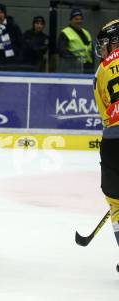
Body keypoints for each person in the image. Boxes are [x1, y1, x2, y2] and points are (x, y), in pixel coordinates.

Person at [93, 19, 119, 267]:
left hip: (113, 141)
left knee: (116, 201)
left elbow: (104, 115)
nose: (102, 49)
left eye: (104, 43)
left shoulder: (101, 70)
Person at [57, 8, 94, 73]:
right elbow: (62, 51)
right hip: (72, 67)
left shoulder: (86, 32)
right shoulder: (65, 33)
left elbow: (91, 48)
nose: (79, 21)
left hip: (88, 67)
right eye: (76, 19)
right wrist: (74, 59)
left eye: (80, 19)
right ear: (71, 20)